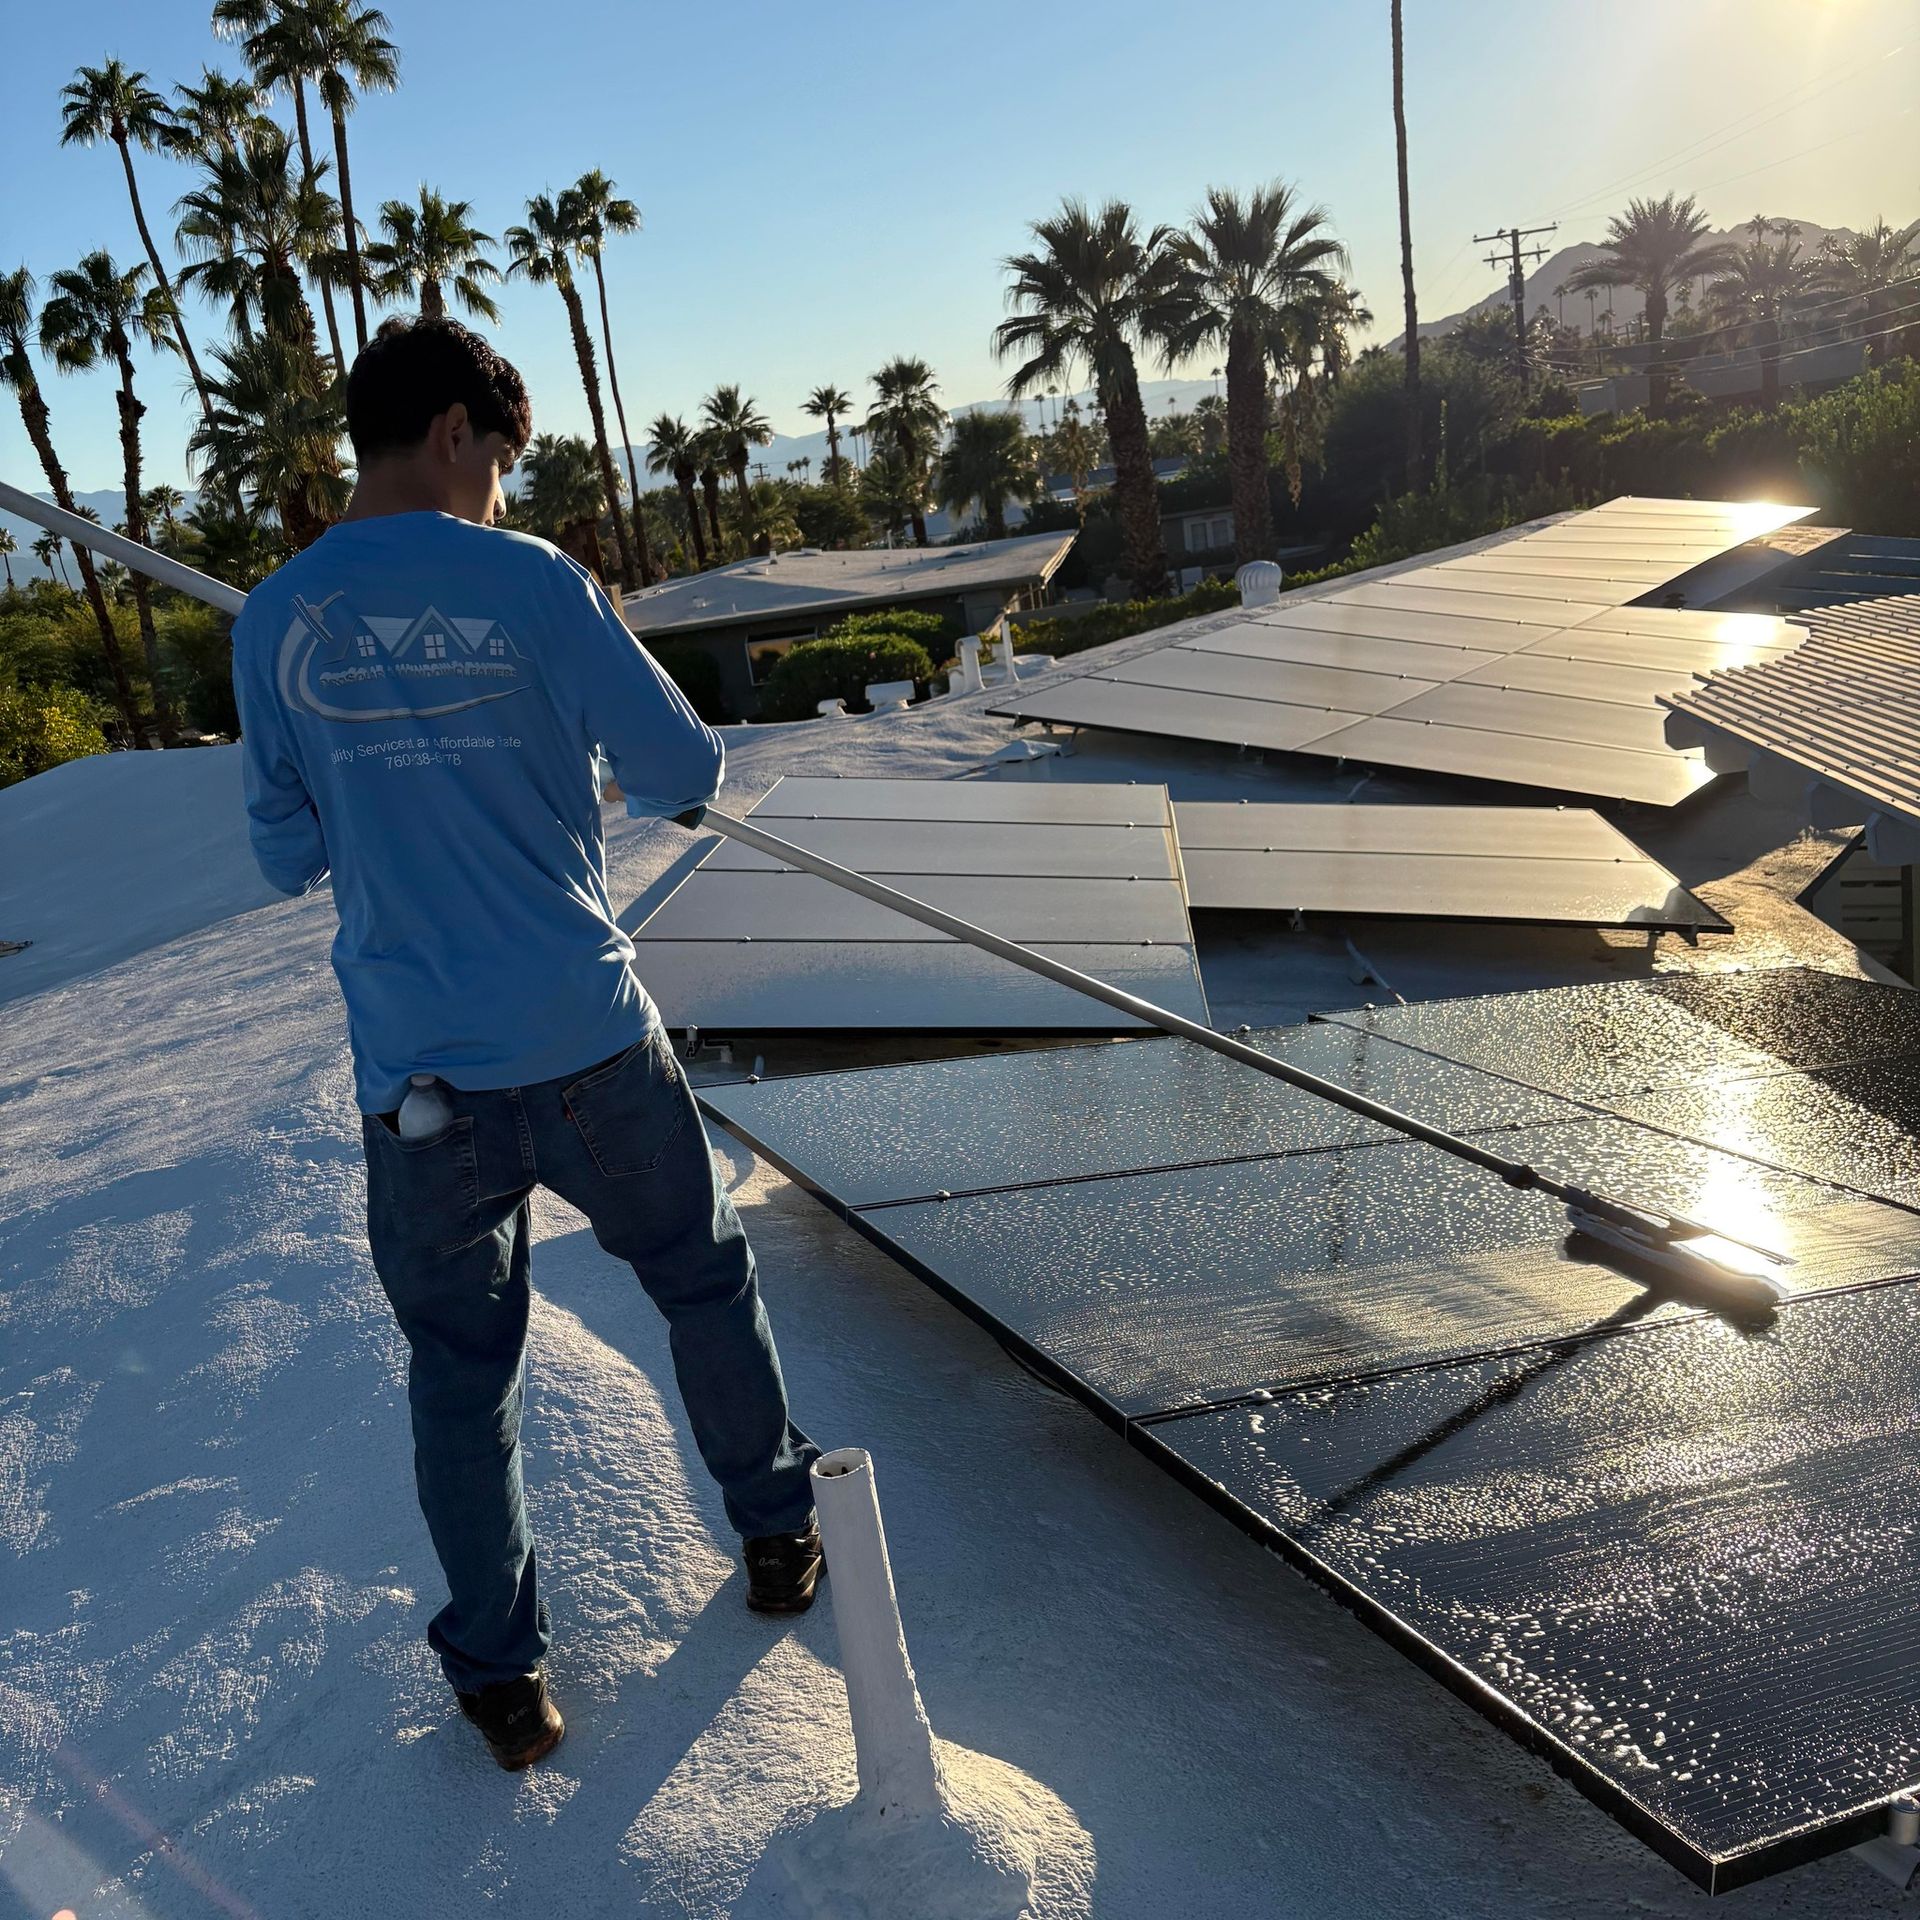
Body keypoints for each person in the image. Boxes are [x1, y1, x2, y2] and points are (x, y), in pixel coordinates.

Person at [231, 316, 821, 1774]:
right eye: (496, 457)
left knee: (459, 1372)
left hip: (418, 1083)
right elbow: (686, 770)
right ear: (451, 434)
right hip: (586, 1042)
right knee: (700, 1280)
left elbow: (281, 857)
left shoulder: (273, 622)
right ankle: (775, 1535)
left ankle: (504, 1681)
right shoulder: (538, 584)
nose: (498, 485)